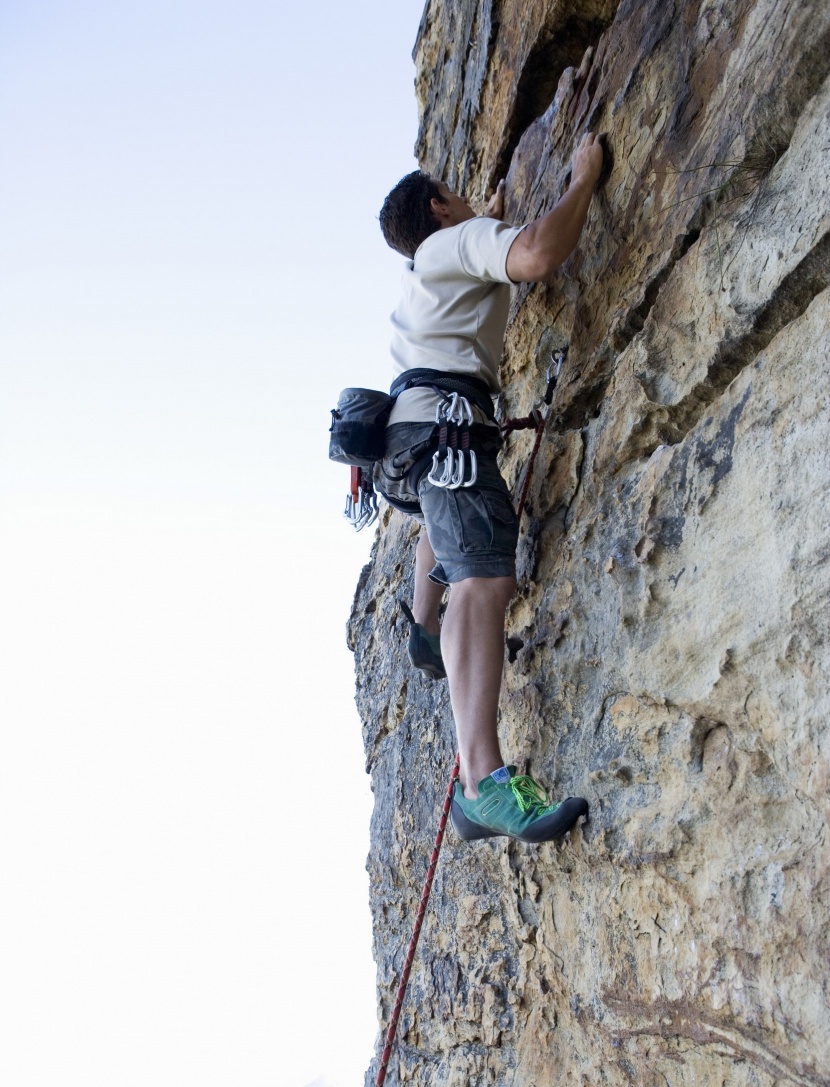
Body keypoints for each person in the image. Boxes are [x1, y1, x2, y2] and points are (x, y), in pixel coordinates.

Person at [376, 133, 604, 844]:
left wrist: (487, 212)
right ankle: (482, 784)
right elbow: (534, 253)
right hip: (446, 432)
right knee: (483, 576)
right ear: (443, 206)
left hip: (415, 440)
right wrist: (582, 179)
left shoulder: (429, 267)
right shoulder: (459, 241)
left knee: (449, 533)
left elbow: (484, 257)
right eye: (461, 198)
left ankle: (423, 627)